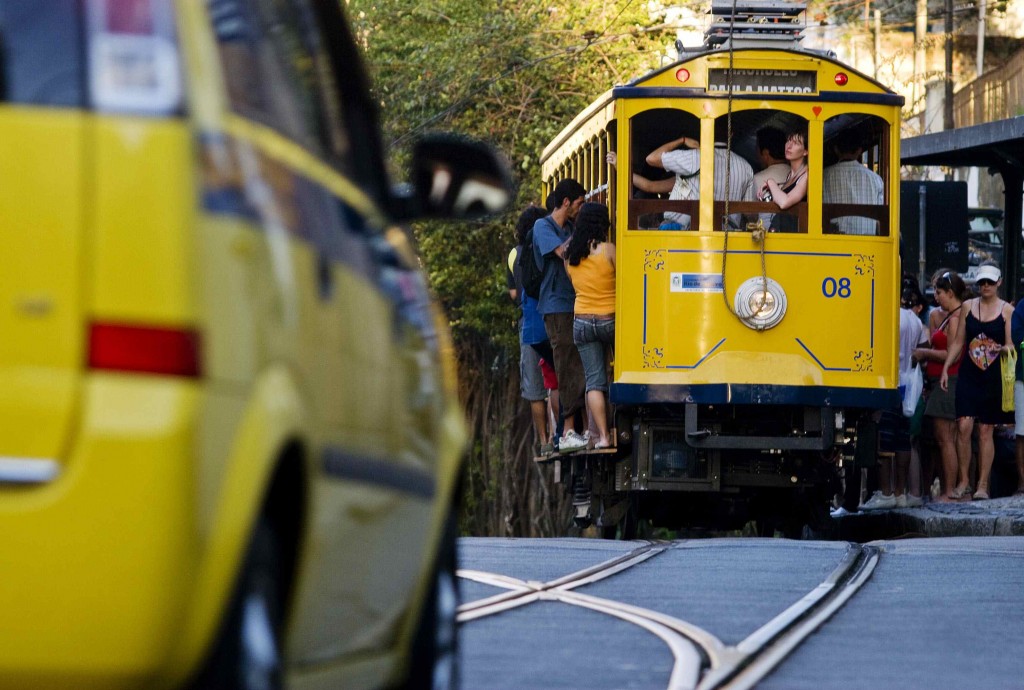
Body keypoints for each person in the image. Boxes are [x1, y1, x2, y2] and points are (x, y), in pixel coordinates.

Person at [940, 262, 1015, 500]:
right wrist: (945, 367)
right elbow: (959, 341)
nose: (985, 286)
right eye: (982, 282)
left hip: (993, 376)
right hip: (969, 373)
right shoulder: (967, 307)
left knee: (986, 430)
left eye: (990, 282)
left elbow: (1011, 343)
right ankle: (965, 480)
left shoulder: (1006, 311)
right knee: (963, 426)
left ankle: (983, 483)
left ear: (998, 283)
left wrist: (1004, 349)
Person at [533, 178, 589, 452]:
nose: (581, 208)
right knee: (566, 364)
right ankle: (567, 430)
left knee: (578, 365)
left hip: (574, 302)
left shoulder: (568, 226)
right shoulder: (543, 227)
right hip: (556, 305)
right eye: (579, 203)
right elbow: (564, 252)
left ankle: (580, 429)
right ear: (566, 202)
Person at [861, 289, 926, 510]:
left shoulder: (889, 317)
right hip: (908, 384)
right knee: (903, 438)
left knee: (884, 437)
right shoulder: (916, 321)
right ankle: (900, 492)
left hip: (889, 382)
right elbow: (921, 348)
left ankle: (885, 492)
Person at [610, 133, 753, 230]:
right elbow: (750, 213)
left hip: (678, 232)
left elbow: (651, 161)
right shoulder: (746, 167)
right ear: (731, 134)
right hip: (728, 233)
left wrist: (682, 140)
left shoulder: (692, 159)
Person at [564, 202, 615, 450]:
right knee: (618, 373)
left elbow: (575, 285)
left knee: (594, 381)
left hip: (582, 321)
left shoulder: (569, 255)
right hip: (611, 320)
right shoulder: (609, 250)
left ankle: (602, 437)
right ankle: (616, 429)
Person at [914, 269, 967, 501]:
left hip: (949, 381)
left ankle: (949, 491)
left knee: (945, 439)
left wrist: (925, 352)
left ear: (950, 293)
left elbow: (952, 354)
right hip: (942, 381)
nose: (936, 297)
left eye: (939, 292)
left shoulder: (955, 319)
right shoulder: (947, 315)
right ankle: (951, 489)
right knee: (945, 439)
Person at [508, 205, 556, 456]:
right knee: (555, 384)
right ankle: (560, 434)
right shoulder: (548, 248)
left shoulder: (514, 255)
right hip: (552, 321)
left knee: (535, 390)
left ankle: (543, 440)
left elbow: (513, 292)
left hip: (528, 326)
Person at [822, 129, 884, 235]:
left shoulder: (823, 176)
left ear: (836, 149)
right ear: (859, 151)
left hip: (833, 243)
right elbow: (880, 218)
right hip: (867, 245)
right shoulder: (875, 179)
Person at [761, 127, 809, 233]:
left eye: (796, 143)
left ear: (805, 151)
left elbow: (784, 202)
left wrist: (770, 182)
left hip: (796, 239)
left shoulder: (807, 175)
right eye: (788, 140)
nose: (789, 146)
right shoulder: (790, 175)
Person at [750, 127, 790, 229]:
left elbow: (751, 215)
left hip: (765, 238)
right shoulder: (797, 175)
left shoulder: (758, 179)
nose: (756, 155)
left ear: (766, 154)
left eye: (757, 150)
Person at [1010, 293, 1024, 495]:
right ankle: (1022, 483)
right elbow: (1017, 337)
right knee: (1022, 433)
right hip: (1023, 377)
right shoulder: (1022, 306)